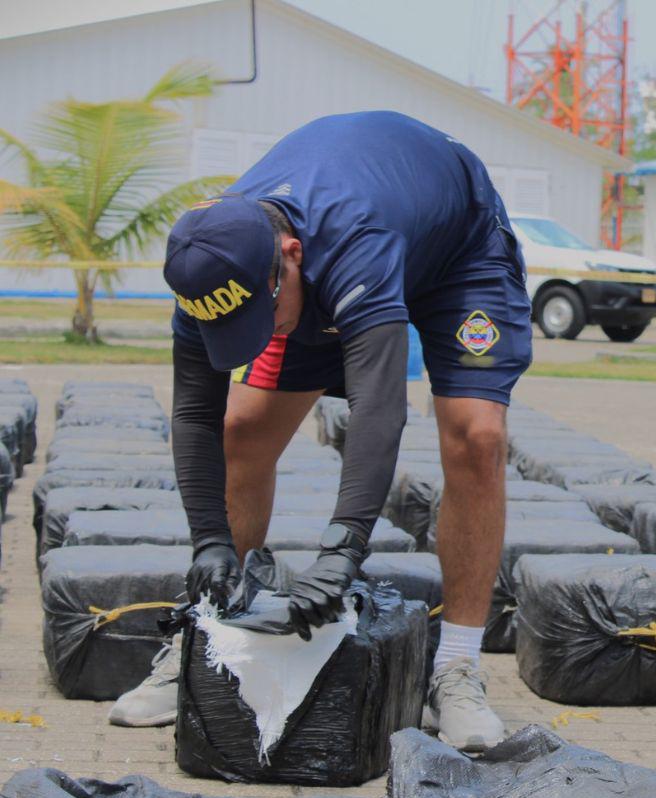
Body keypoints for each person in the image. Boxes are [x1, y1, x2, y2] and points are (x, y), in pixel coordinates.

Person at [108, 111, 532, 752]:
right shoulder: (207, 263)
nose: (264, 334)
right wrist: (208, 544)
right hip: (329, 265)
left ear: (289, 256)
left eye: (264, 314)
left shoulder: (353, 237)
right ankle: (208, 631)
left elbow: (378, 407)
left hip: (456, 248)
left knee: (476, 437)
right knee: (242, 430)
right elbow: (195, 414)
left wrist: (343, 549)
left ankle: (457, 670)